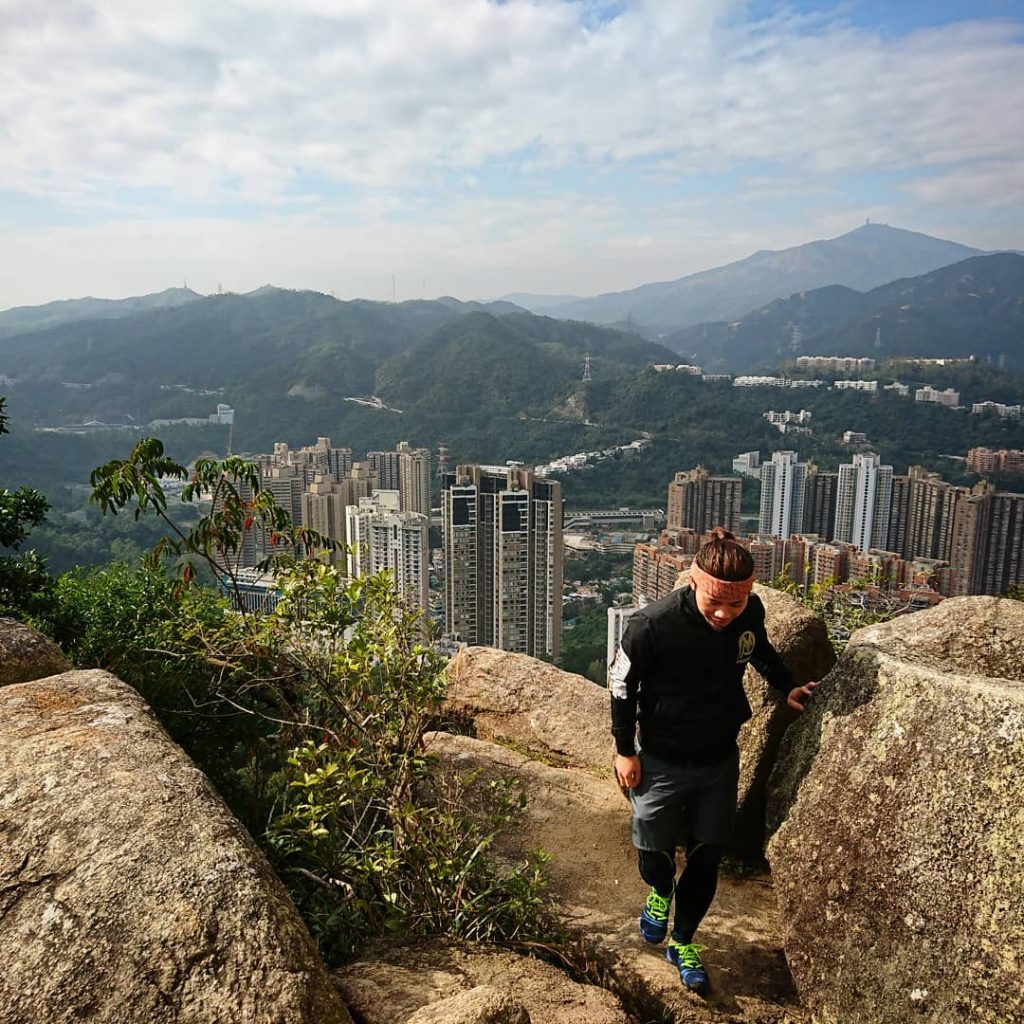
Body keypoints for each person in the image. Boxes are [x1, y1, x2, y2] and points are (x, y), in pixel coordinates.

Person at [609, 527, 817, 994]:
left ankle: (682, 941)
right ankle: (661, 893)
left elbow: (758, 649)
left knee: (707, 854)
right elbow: (621, 686)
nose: (724, 614)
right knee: (652, 853)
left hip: (719, 758)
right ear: (694, 582)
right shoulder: (652, 625)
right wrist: (625, 750)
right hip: (660, 757)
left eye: (735, 604)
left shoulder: (749, 613)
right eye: (714, 603)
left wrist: (788, 687)